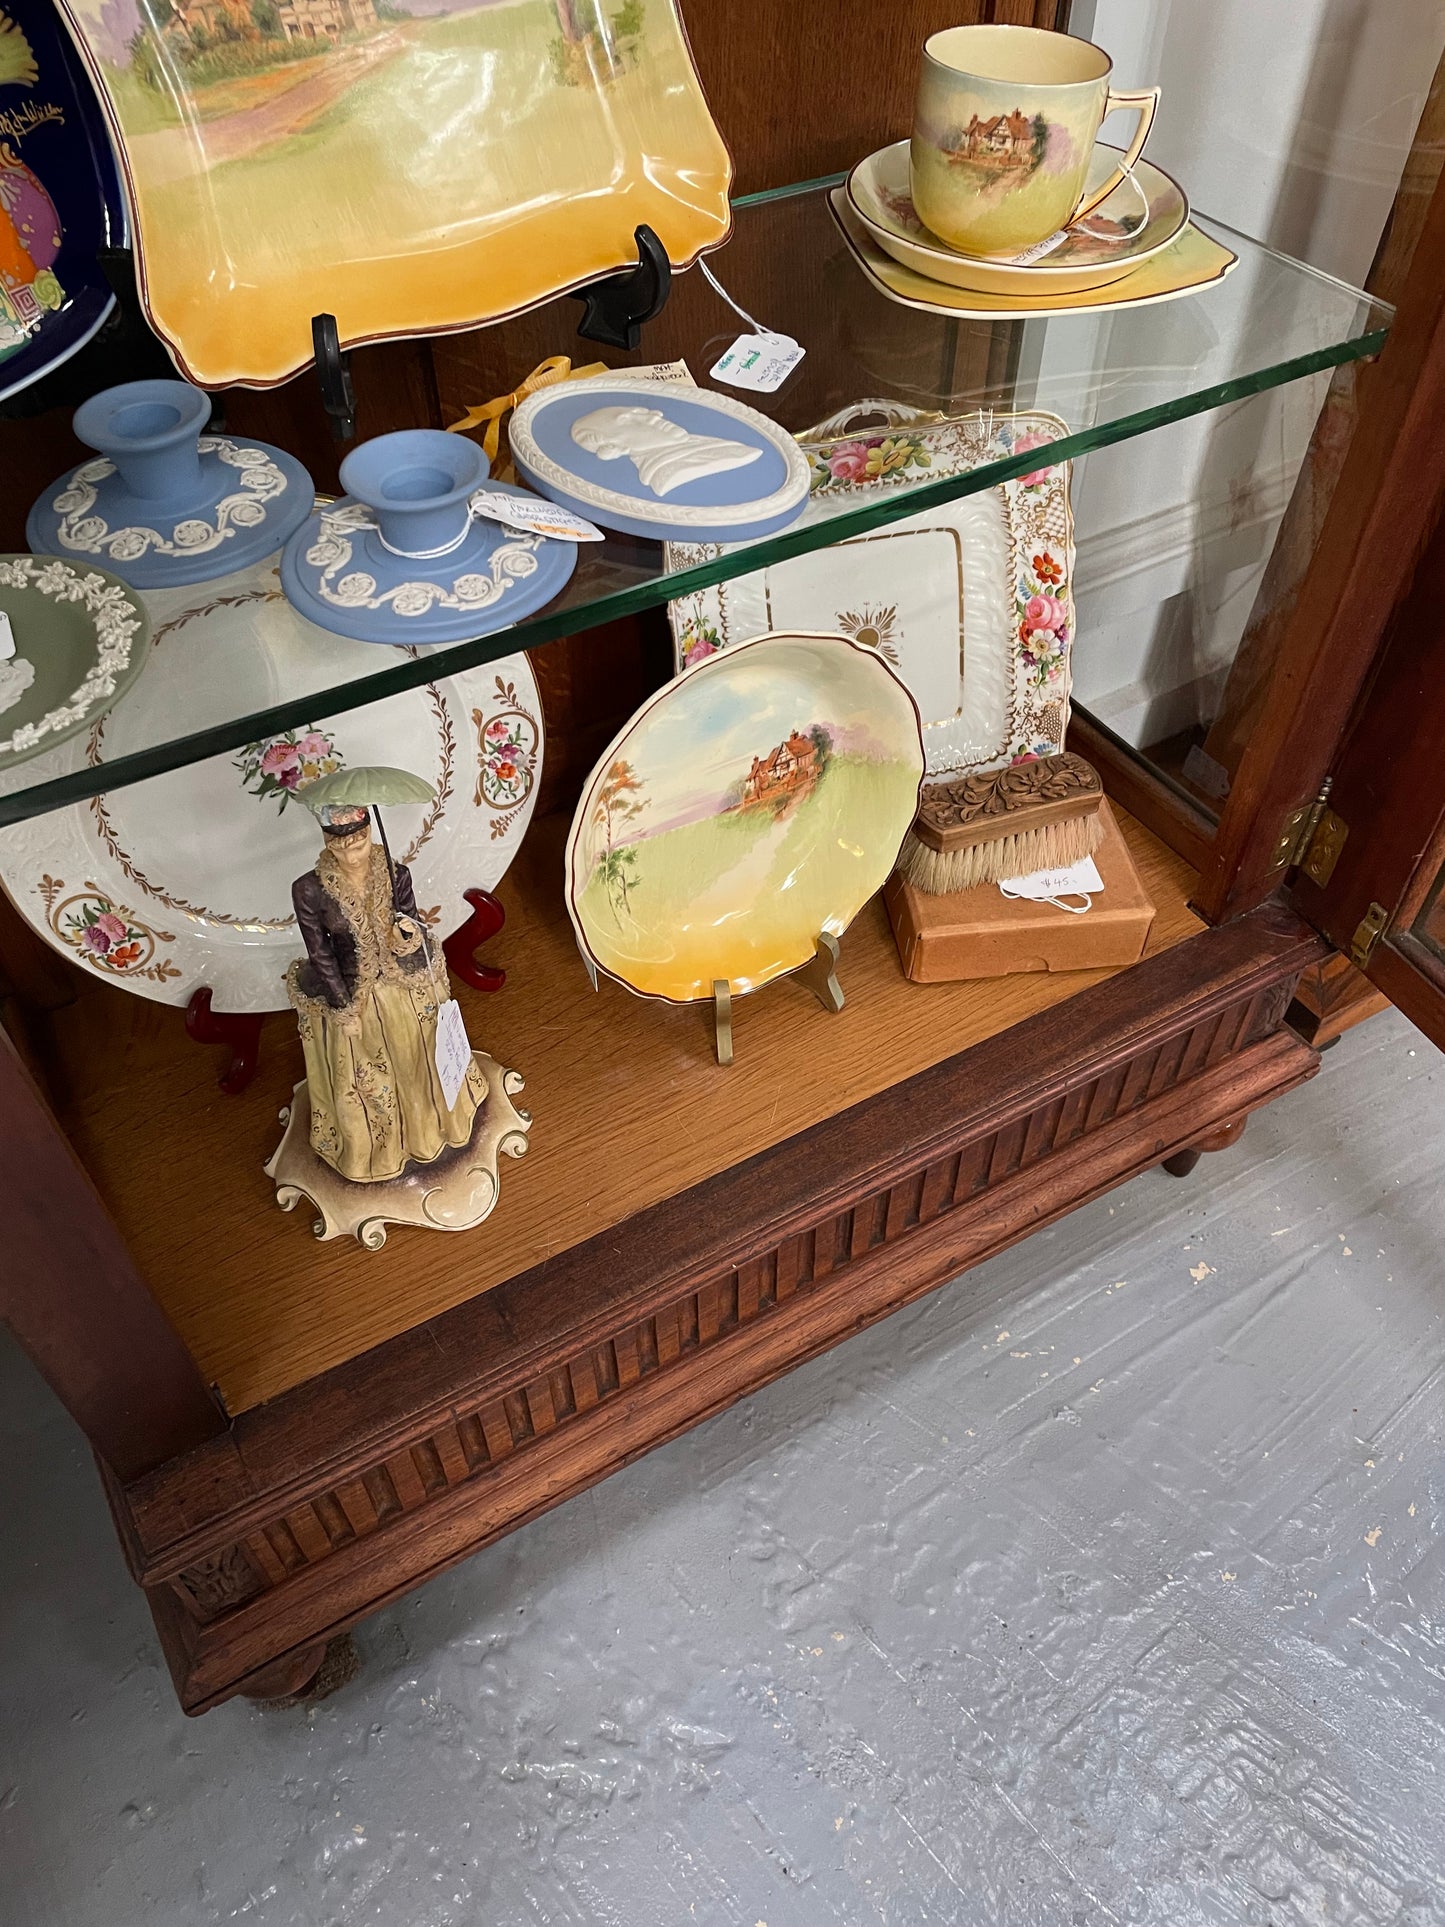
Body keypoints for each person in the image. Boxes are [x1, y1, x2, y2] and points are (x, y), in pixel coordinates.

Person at [286, 802, 484, 1182]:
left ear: (369, 836)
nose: (349, 855)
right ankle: (375, 1152)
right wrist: (344, 1008)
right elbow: (320, 951)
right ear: (328, 843)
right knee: (364, 1075)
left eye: (357, 846)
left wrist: (406, 936)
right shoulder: (309, 890)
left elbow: (412, 920)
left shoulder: (396, 874)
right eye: (339, 847)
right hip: (351, 987)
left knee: (419, 1053)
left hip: (400, 983)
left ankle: (432, 1128)